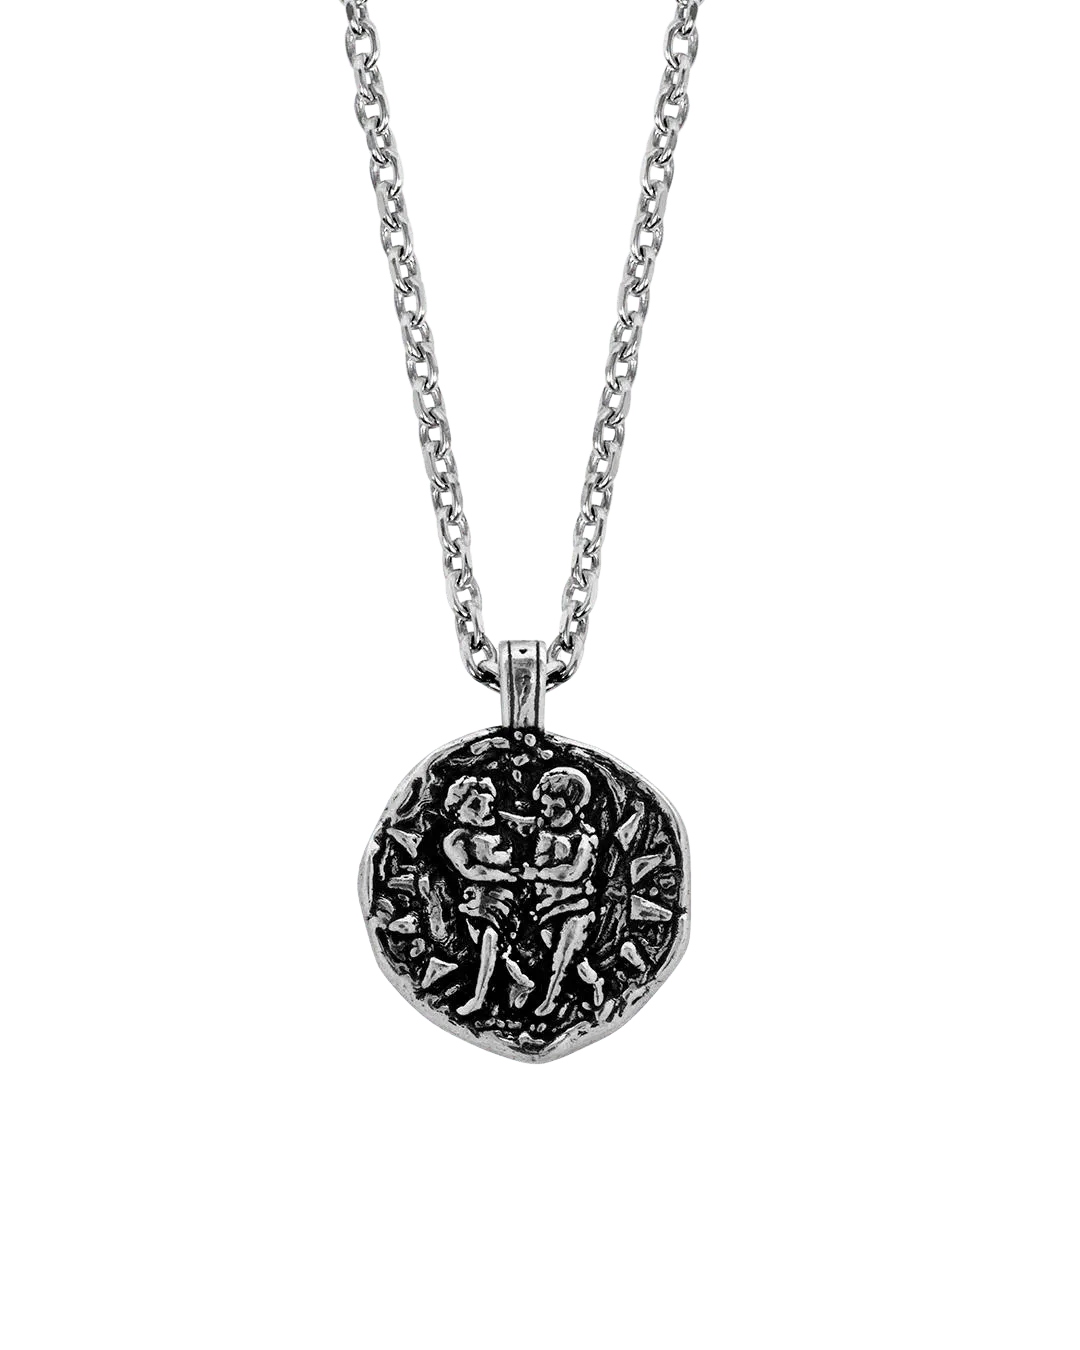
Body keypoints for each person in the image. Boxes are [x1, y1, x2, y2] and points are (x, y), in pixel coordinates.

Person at [442, 776, 535, 1016]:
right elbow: (470, 870)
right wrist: (507, 875)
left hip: (502, 898)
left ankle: (479, 997)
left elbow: (529, 827)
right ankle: (521, 981)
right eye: (475, 805)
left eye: (489, 804)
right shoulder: (457, 838)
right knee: (495, 949)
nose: (485, 810)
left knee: (490, 938)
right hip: (475, 898)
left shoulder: (501, 832)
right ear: (456, 809)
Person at [522, 768, 602, 1017]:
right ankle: (595, 982)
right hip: (547, 910)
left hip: (577, 906)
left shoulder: (585, 838)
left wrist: (537, 873)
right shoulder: (543, 834)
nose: (548, 813)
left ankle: (550, 1001)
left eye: (556, 808)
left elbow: (573, 873)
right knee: (566, 955)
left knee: (562, 955)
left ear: (576, 807)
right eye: (545, 807)